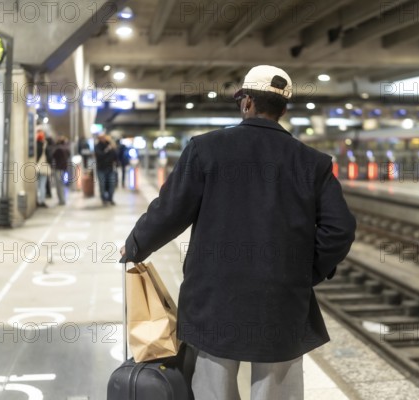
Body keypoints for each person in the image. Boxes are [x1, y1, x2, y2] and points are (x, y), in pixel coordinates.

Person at [120, 65, 356, 399]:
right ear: (283, 109)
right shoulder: (312, 162)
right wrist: (302, 271)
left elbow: (171, 209)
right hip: (282, 299)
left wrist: (135, 245)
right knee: (278, 388)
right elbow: (340, 230)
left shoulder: (206, 149)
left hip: (214, 298)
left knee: (212, 387)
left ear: (246, 103)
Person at [94, 134, 118, 205]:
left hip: (110, 169)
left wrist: (113, 147)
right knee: (102, 185)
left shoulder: (110, 145)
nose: (104, 139)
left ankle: (110, 199)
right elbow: (100, 155)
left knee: (112, 184)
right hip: (101, 169)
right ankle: (104, 199)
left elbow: (115, 156)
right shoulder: (97, 146)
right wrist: (107, 150)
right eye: (102, 138)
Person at [52, 136, 71, 206]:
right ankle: (62, 200)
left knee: (59, 185)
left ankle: (61, 200)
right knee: (62, 185)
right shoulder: (67, 148)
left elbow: (52, 156)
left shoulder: (58, 149)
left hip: (58, 168)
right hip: (64, 168)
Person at [35, 130, 52, 207]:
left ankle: (37, 200)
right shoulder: (44, 145)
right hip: (43, 167)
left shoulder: (35, 145)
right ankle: (42, 201)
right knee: (42, 184)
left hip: (35, 166)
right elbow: (49, 157)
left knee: (37, 185)